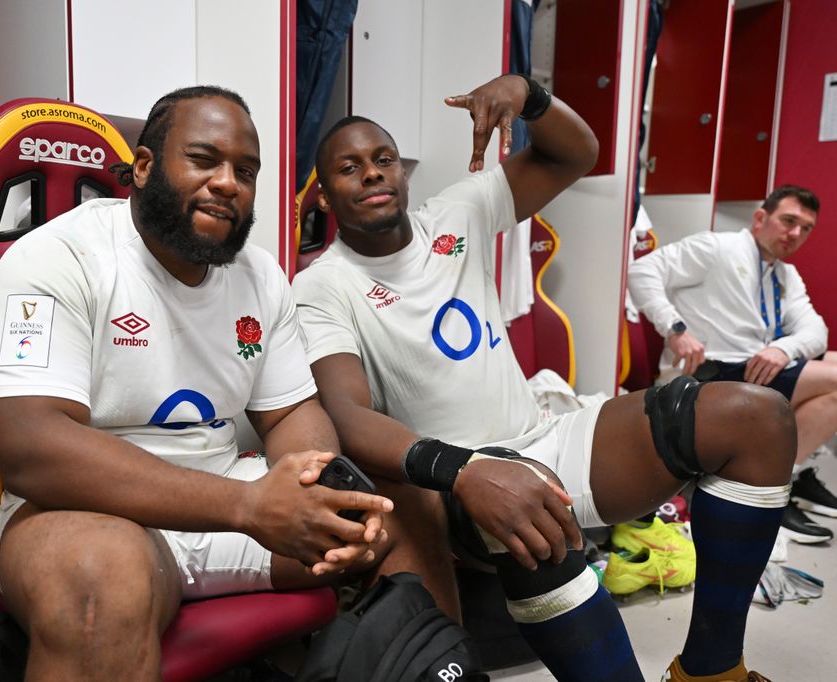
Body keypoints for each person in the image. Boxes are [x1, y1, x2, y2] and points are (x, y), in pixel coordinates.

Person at [293, 73, 796, 682]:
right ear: (322, 197)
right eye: (348, 168)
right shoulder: (321, 286)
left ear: (404, 174)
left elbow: (576, 153)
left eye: (384, 160)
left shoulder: (457, 211)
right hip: (462, 480)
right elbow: (347, 415)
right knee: (526, 492)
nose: (372, 173)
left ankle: (713, 670)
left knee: (758, 417)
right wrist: (467, 469)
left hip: (546, 435)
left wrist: (529, 94)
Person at [0, 85, 455, 679]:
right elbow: (31, 448)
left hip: (230, 498)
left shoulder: (260, 275)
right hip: (79, 510)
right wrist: (247, 505)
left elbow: (287, 414)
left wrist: (319, 492)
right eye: (204, 160)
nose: (228, 182)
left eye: (245, 171)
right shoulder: (57, 256)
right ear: (145, 168)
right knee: (104, 575)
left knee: (389, 507)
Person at [628, 187, 837, 544]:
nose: (796, 234)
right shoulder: (716, 247)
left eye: (806, 228)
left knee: (831, 363)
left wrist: (784, 349)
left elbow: (817, 330)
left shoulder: (785, 275)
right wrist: (676, 330)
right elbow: (643, 271)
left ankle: (781, 482)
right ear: (760, 218)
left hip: (753, 365)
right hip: (710, 371)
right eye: (789, 221)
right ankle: (775, 489)